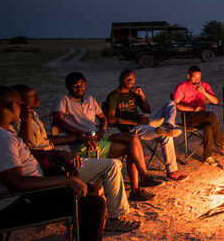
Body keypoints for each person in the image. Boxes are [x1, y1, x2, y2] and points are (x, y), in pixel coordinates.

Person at [0, 85, 124, 241]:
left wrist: (56, 155)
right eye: (20, 105)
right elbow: (17, 183)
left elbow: (18, 155)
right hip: (8, 206)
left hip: (7, 200)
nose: (24, 108)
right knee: (94, 204)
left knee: (88, 189)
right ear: (10, 107)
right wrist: (63, 181)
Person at [11, 85, 140, 232]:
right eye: (32, 95)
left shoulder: (33, 115)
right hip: (47, 167)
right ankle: (113, 218)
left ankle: (92, 206)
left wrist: (78, 137)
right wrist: (59, 153)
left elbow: (46, 140)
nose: (37, 96)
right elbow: (26, 150)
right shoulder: (17, 121)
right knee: (111, 165)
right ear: (20, 102)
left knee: (115, 164)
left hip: (57, 159)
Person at [52, 72, 163, 202]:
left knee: (133, 138)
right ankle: (136, 188)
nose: (79, 88)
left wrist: (101, 130)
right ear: (68, 86)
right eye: (75, 85)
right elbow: (58, 120)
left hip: (98, 137)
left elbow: (103, 118)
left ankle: (143, 178)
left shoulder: (90, 100)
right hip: (83, 144)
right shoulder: (63, 99)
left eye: (82, 84)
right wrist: (80, 134)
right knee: (131, 149)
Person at [104, 69, 188, 182]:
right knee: (166, 137)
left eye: (132, 79)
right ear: (120, 79)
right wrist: (136, 123)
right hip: (132, 128)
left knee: (171, 103)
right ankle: (171, 172)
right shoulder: (114, 95)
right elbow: (111, 118)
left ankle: (168, 125)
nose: (130, 81)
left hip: (143, 122)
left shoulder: (133, 93)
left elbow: (147, 110)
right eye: (127, 78)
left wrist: (142, 95)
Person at [173, 65, 224, 165]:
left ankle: (207, 157)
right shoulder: (182, 87)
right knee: (211, 116)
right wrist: (192, 109)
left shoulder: (204, 86)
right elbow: (175, 105)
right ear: (189, 76)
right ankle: (222, 144)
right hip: (188, 116)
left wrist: (204, 92)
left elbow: (215, 101)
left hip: (202, 116)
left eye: (199, 78)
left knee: (208, 127)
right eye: (195, 78)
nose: (197, 80)